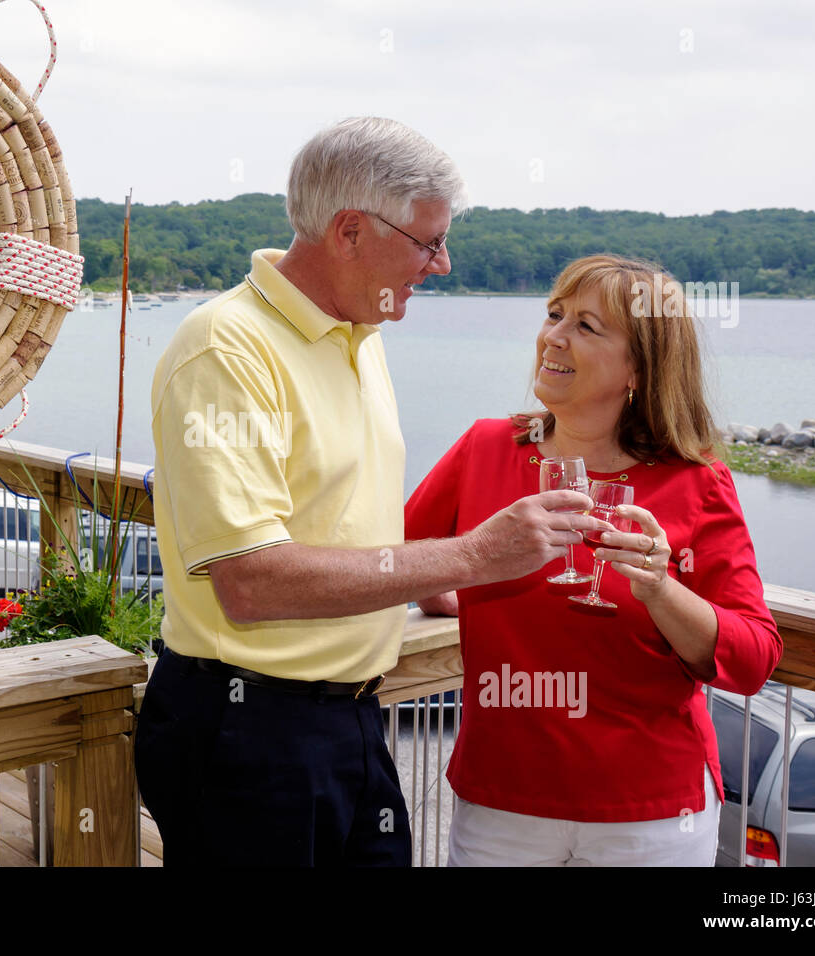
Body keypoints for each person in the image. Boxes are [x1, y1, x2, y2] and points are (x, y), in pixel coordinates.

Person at [135, 117, 616, 866]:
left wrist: (433, 586)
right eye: (427, 242)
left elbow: (347, 530)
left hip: (352, 718)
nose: (444, 264)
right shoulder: (225, 347)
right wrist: (476, 555)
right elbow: (250, 582)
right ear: (350, 231)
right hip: (247, 732)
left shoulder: (360, 335)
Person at [404, 254, 784, 866]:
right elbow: (401, 559)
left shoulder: (697, 482)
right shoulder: (484, 449)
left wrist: (661, 589)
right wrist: (451, 582)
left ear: (639, 366)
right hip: (503, 803)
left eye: (586, 325)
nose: (554, 336)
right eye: (555, 315)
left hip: (650, 816)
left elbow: (752, 659)